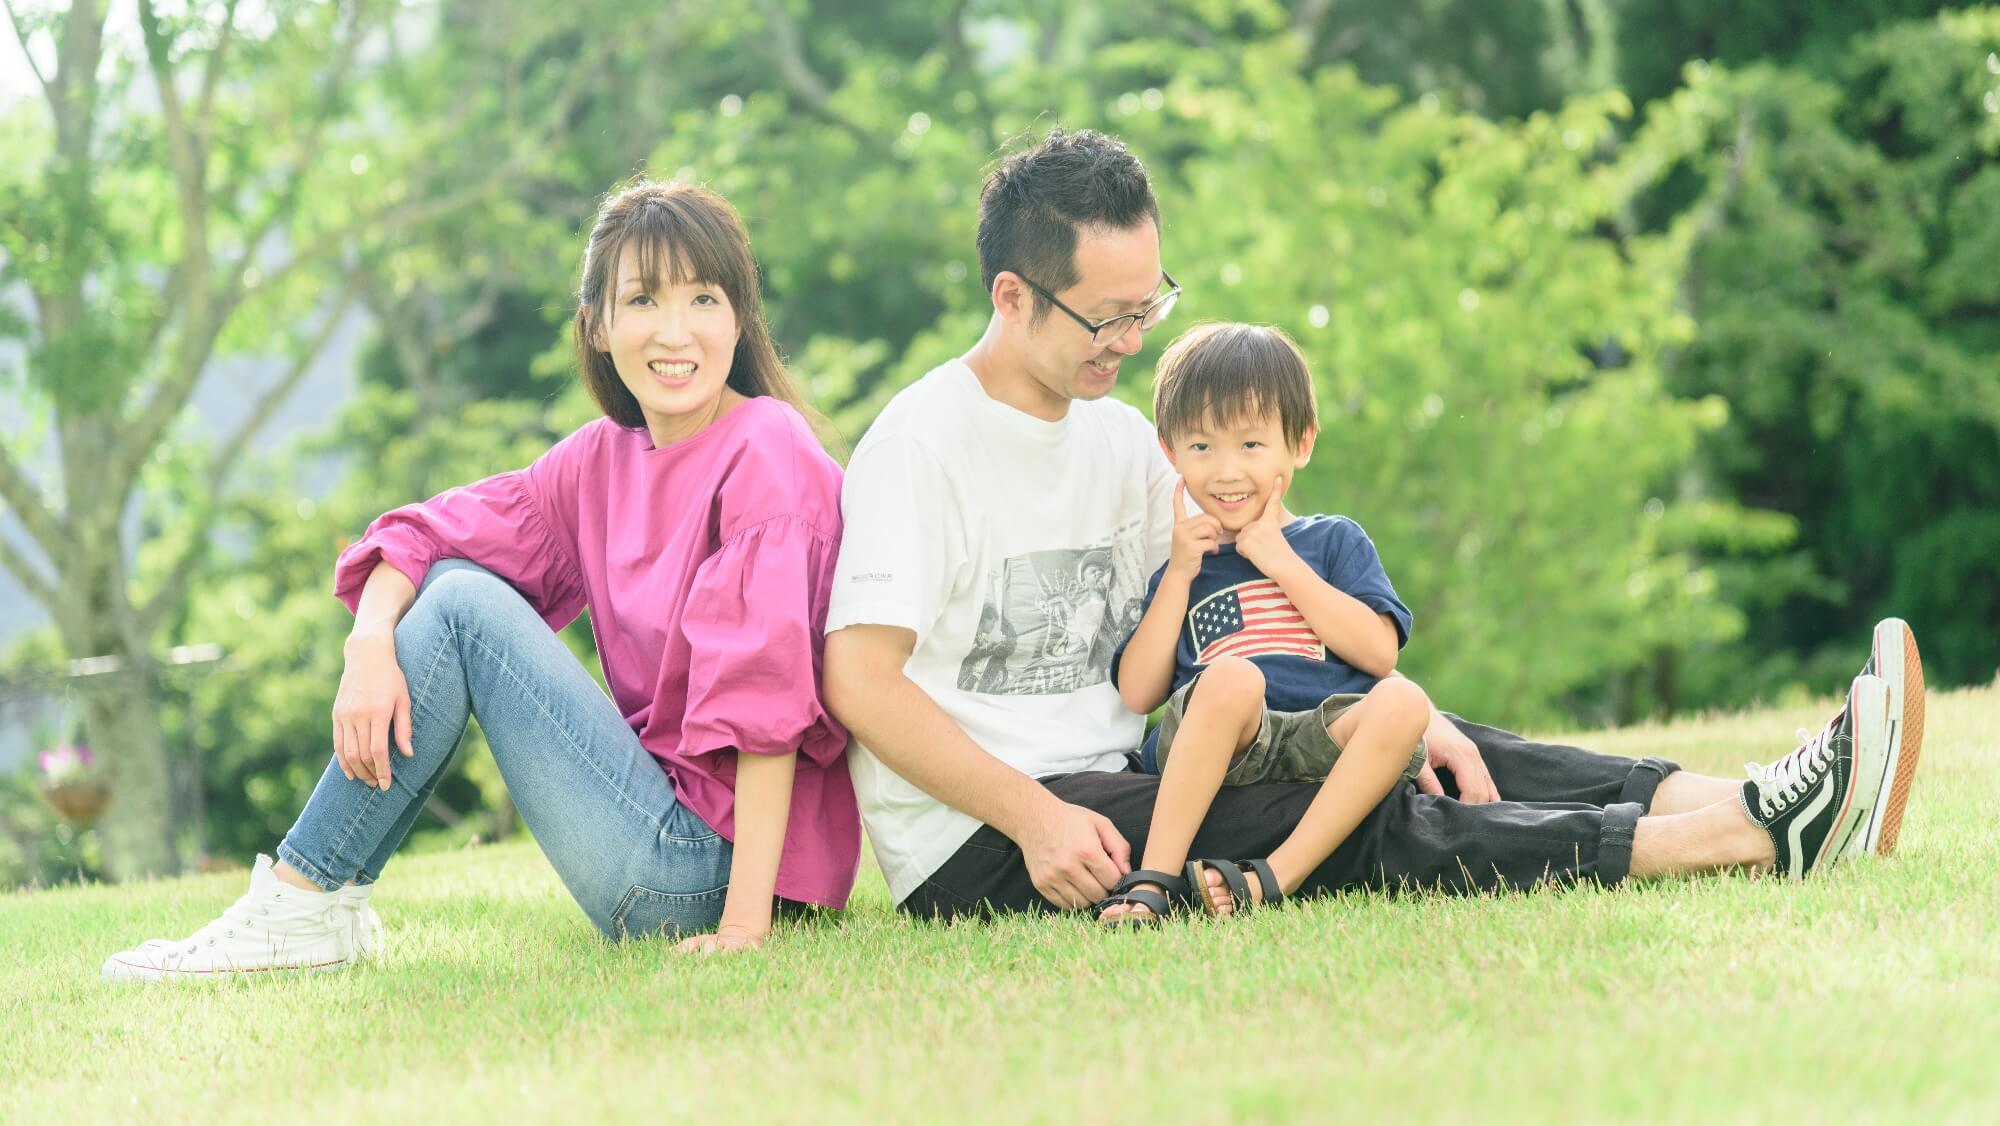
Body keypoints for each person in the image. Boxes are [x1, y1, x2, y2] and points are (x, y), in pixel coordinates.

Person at [821, 126, 1926, 922]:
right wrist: (1027, 815)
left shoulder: (1120, 438)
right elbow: (859, 684)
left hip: (1149, 753)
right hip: (991, 838)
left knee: (1440, 740)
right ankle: (1736, 840)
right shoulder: (922, 445)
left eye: (1147, 306)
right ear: (1012, 297)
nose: (1130, 339)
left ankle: (1750, 793)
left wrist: (1388, 711)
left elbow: (1229, 629)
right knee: (1339, 816)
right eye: (1105, 317)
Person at [103, 181, 859, 982]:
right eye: (642, 300)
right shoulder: (601, 461)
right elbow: (427, 533)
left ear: (738, 318)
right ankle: (320, 906)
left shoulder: (766, 447)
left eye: (704, 298)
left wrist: (744, 925)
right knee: (452, 582)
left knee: (461, 606)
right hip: (666, 837)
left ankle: (301, 904)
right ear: (598, 326)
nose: (675, 333)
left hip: (709, 872)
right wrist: (368, 645)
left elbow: (766, 706)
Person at [1096, 322, 1432, 925]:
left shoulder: (1331, 541)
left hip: (1319, 735)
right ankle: (1153, 882)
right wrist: (1175, 576)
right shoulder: (1183, 568)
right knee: (1232, 679)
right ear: (1170, 451)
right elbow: (1138, 693)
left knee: (1405, 702)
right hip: (1228, 740)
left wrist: (1279, 560)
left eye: (1251, 446)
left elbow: (1380, 655)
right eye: (1201, 447)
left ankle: (1275, 876)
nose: (1227, 471)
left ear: (1299, 445)